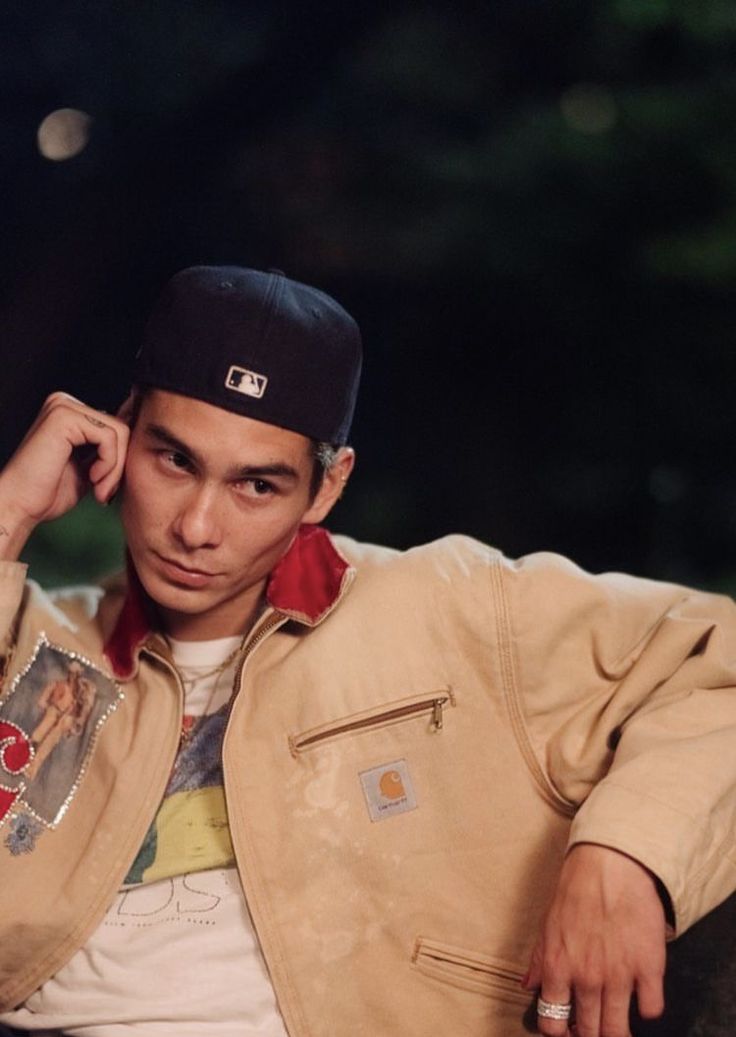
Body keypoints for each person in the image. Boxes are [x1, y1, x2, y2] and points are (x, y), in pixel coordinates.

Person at [0, 266, 734, 1037]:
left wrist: (625, 856)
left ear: (325, 489)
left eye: (257, 485)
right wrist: (10, 509)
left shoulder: (450, 608)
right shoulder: (43, 646)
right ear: (119, 434)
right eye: (175, 460)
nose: (196, 526)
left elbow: (715, 658)